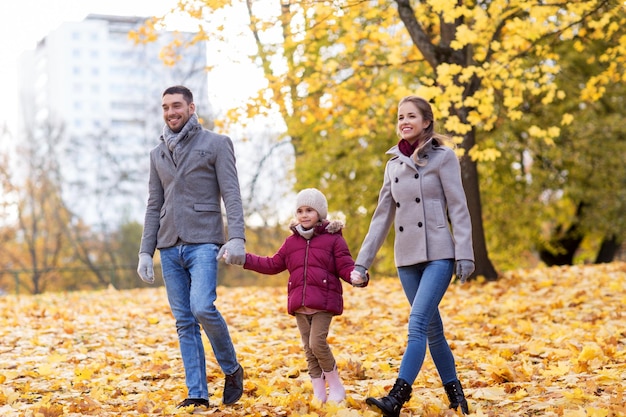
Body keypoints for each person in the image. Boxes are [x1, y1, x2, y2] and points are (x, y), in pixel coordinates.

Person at [350, 96, 475, 417]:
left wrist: (465, 253)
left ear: (426, 122)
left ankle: (396, 397)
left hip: (438, 255)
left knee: (417, 324)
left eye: (411, 116)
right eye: (400, 117)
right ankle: (457, 396)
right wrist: (362, 263)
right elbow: (381, 218)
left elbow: (459, 207)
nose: (404, 121)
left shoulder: (444, 158)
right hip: (406, 259)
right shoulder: (392, 166)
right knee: (433, 330)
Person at [137, 85, 246, 410]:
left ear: (191, 107)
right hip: (169, 245)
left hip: (204, 241)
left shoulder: (215, 143)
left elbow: (232, 193)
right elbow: (154, 203)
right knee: (184, 321)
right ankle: (197, 392)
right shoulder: (157, 154)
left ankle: (231, 368)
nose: (171, 112)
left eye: (176, 106)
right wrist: (146, 250)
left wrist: (237, 236)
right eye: (166, 107)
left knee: (202, 307)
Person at [237, 188, 368, 404]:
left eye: (309, 210)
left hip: (323, 303)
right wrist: (245, 259)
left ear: (320, 213)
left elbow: (346, 266)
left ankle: (335, 386)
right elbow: (272, 264)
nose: (304, 215)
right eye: (300, 211)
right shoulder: (291, 242)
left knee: (317, 343)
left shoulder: (333, 240)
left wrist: (358, 277)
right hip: (300, 304)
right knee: (308, 350)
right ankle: (319, 392)